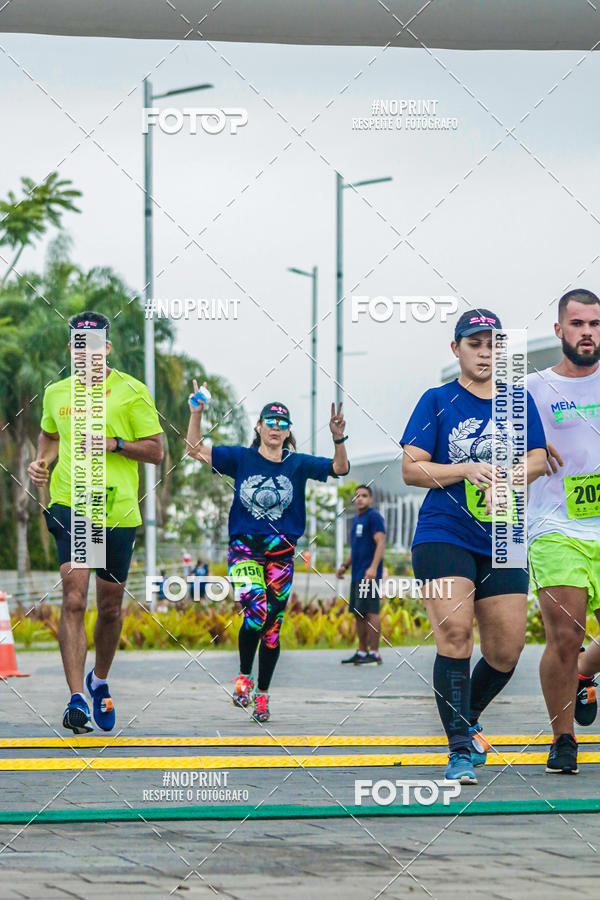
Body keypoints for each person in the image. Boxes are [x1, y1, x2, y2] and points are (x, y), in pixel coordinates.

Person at [401, 309, 547, 784]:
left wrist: (510, 476)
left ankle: (466, 717)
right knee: (457, 636)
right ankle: (459, 750)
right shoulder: (437, 400)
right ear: (456, 349)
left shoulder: (517, 402)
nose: (485, 352)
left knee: (506, 650)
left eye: (493, 344)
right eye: (475, 343)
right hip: (444, 532)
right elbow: (411, 468)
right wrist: (463, 470)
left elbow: (540, 460)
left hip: (503, 533)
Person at [27, 311, 163, 734]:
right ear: (72, 350)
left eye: (95, 346)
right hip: (74, 504)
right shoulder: (56, 394)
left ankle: (98, 679)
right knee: (73, 597)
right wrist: (41, 462)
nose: (87, 353)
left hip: (118, 509)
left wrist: (116, 444)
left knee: (109, 607)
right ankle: (75, 700)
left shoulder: (131, 392)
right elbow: (50, 435)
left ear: (107, 348)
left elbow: (157, 451)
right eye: (78, 346)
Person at [185, 387, 349, 723]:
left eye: (282, 423)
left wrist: (338, 437)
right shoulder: (241, 458)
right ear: (259, 426)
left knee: (272, 628)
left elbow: (340, 469)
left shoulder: (298, 464)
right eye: (269, 421)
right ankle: (244, 677)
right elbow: (194, 450)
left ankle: (263, 694)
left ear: (288, 431)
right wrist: (196, 412)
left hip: (282, 556)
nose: (275, 427)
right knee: (256, 610)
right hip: (245, 549)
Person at [527, 289, 600, 773]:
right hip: (556, 526)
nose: (588, 333)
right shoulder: (532, 389)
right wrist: (533, 450)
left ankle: (582, 674)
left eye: (594, 324)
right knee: (566, 631)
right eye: (577, 324)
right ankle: (564, 737)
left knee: (577, 650)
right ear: (559, 331)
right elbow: (505, 454)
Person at [337, 485, 386, 665]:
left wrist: (373, 568)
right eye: (357, 496)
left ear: (371, 499)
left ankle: (374, 653)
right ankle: (362, 652)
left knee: (371, 611)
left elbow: (381, 543)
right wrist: (344, 566)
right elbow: (356, 549)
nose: (360, 499)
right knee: (359, 612)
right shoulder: (357, 519)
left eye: (364, 495)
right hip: (357, 574)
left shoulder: (374, 517)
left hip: (369, 574)